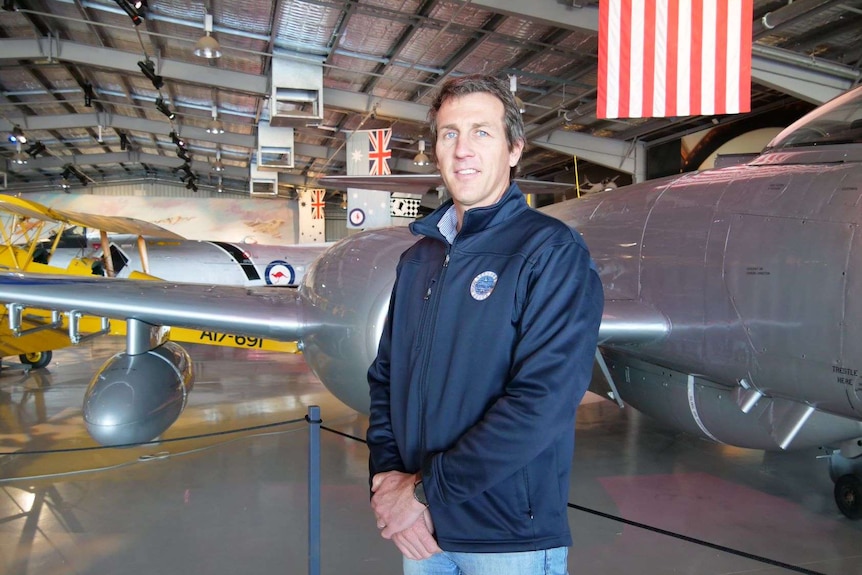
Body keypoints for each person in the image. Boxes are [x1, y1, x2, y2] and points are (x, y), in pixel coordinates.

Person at [367, 74, 604, 575]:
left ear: (515, 148)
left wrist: (422, 493)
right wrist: (389, 479)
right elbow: (387, 379)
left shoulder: (550, 251)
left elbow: (544, 399)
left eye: (482, 132)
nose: (462, 150)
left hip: (506, 536)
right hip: (422, 534)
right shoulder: (417, 259)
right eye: (449, 134)